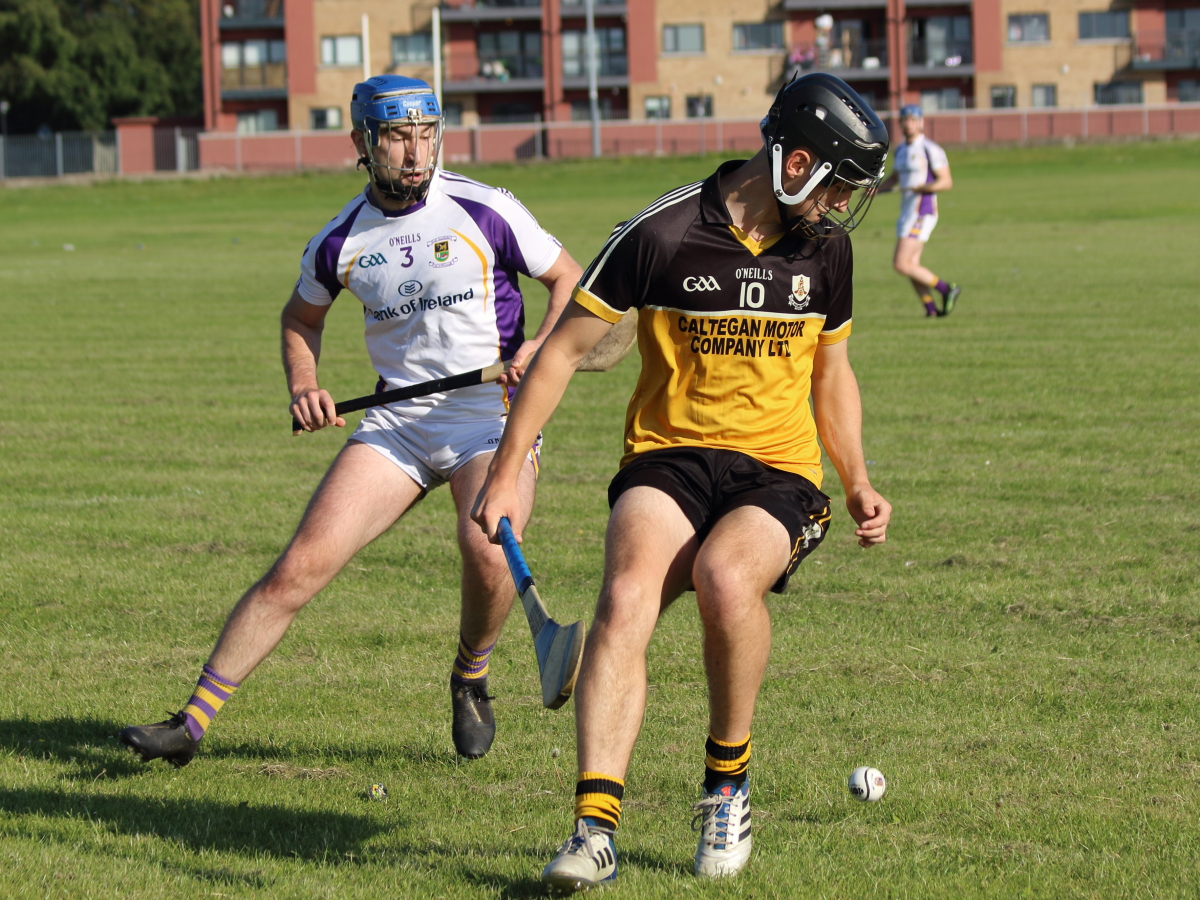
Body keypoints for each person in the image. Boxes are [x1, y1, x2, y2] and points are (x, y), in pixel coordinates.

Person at [471, 72, 893, 890]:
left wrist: (857, 479)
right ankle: (594, 831)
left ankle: (726, 786)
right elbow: (560, 352)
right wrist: (503, 468)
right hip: (668, 458)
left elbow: (832, 374)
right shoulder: (661, 235)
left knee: (726, 579)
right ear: (795, 162)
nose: (841, 204)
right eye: (837, 183)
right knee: (626, 598)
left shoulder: (825, 252)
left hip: (778, 472)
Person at [118, 75, 581, 766]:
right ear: (363, 144)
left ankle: (470, 675)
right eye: (398, 137)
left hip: (490, 414)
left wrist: (540, 348)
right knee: (298, 567)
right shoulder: (340, 240)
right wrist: (305, 383)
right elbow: (301, 318)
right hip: (397, 420)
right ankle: (190, 724)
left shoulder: (485, 209)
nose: (416, 152)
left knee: (486, 551)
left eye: (426, 134)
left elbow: (570, 281)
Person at [877, 104, 961, 316]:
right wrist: (877, 190)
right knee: (911, 264)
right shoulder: (901, 150)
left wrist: (923, 187)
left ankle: (946, 288)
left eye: (913, 120)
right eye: (905, 120)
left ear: (921, 122)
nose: (909, 124)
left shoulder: (930, 149)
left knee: (901, 263)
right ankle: (930, 309)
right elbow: (895, 178)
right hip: (906, 212)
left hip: (922, 211)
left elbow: (946, 182)